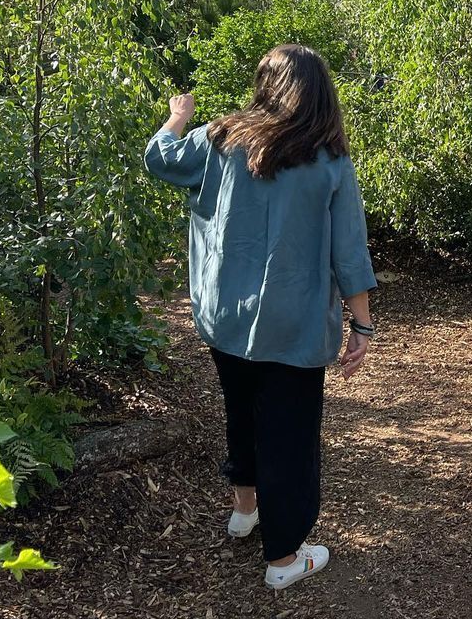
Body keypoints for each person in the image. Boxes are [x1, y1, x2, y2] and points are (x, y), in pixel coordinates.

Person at [144, 45, 377, 591]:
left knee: (242, 414)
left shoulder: (221, 139)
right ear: (320, 94)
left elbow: (159, 157)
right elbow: (350, 251)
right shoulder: (329, 163)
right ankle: (282, 559)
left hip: (226, 317)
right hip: (292, 326)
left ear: (264, 84)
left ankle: (244, 510)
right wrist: (362, 325)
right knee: (289, 437)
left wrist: (178, 116)